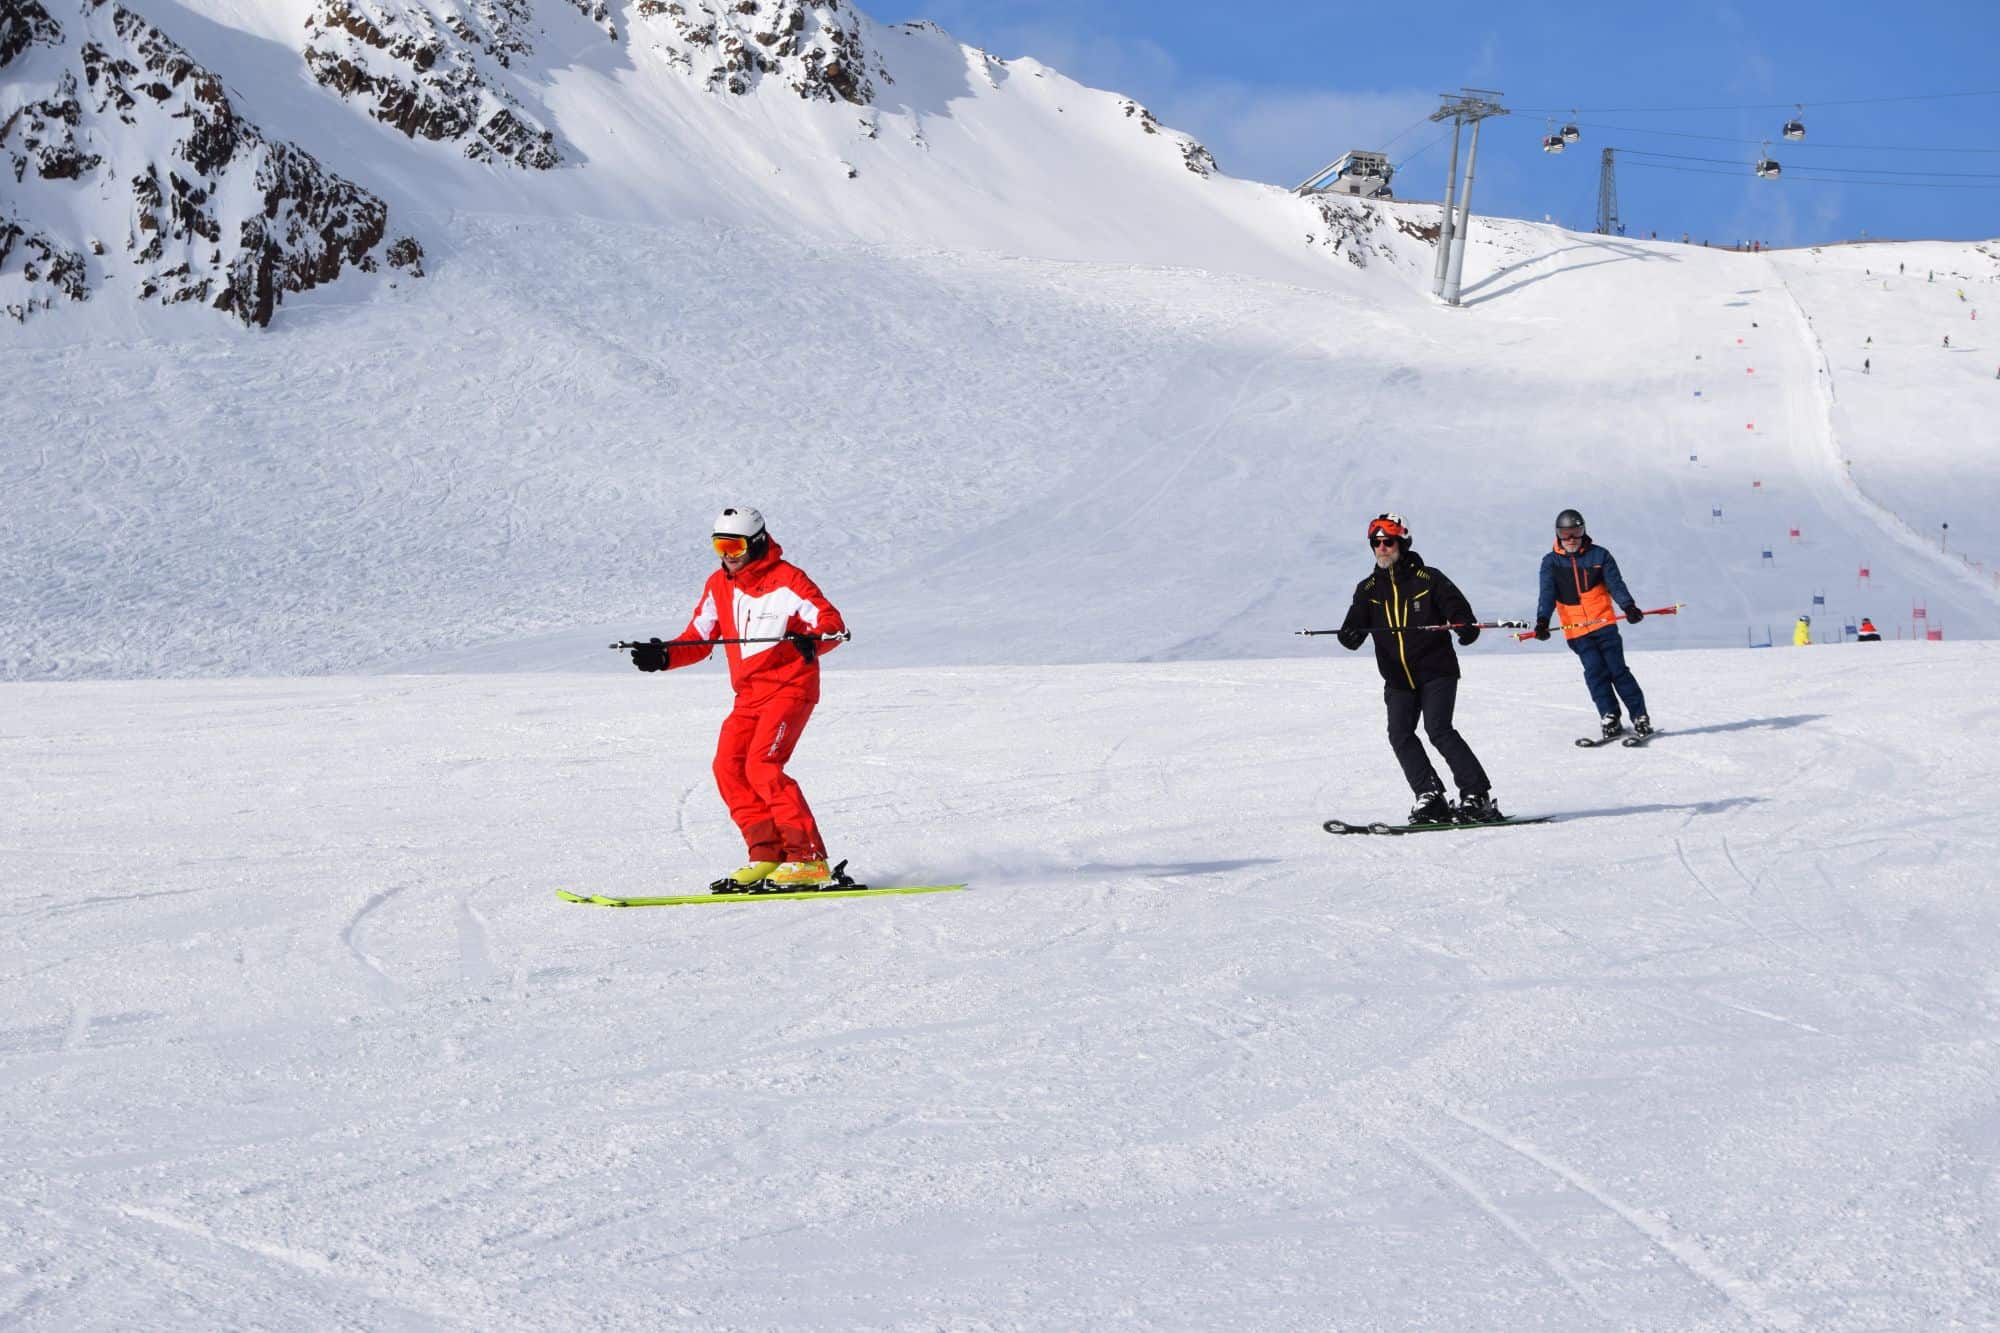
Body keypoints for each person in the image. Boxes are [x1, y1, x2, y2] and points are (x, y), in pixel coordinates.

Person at [629, 506, 847, 889]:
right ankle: (768, 854)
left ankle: (807, 858)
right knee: (728, 768)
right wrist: (663, 656)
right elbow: (698, 638)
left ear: (757, 543)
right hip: (748, 695)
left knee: (763, 766)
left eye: (734, 546)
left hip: (790, 687)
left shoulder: (789, 580)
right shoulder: (718, 585)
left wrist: (810, 642)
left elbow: (831, 625)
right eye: (719, 547)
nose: (727, 556)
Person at [1336, 513, 1501, 824]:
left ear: (1403, 542)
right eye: (1376, 543)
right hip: (1397, 678)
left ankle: (1475, 795)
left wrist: (1465, 627)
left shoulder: (1429, 578)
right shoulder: (1368, 589)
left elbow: (1460, 612)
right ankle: (1430, 796)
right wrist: (1349, 636)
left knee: (1438, 730)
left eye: (1389, 541)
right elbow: (1352, 630)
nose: (1382, 548)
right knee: (1399, 734)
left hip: (1435, 670)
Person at [1534, 509, 1653, 742]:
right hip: (1576, 630)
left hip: (1604, 624)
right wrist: (1542, 621)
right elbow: (1547, 594)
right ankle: (1609, 716)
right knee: (1595, 672)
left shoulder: (1600, 556)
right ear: (1558, 535)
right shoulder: (1551, 563)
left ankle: (1640, 716)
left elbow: (1615, 584)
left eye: (1576, 533)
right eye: (1566, 533)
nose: (1571, 539)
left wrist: (1628, 607)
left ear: (1584, 531)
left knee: (1617, 670)